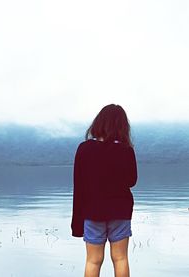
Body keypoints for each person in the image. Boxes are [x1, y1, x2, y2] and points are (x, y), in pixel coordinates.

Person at [71, 104, 138, 277]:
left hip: (92, 211)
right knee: (120, 258)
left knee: (93, 260)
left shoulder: (84, 149)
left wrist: (76, 224)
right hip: (120, 211)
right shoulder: (126, 150)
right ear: (122, 126)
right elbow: (132, 181)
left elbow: (79, 186)